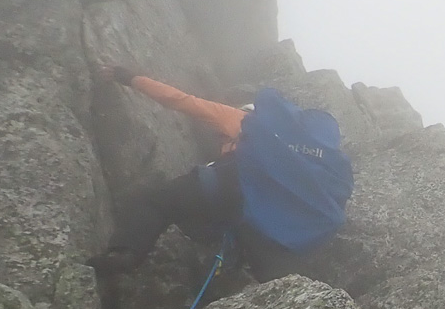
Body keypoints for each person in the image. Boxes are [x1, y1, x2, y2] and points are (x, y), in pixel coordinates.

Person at [89, 61, 352, 279]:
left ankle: (124, 254)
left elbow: (182, 101)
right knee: (274, 280)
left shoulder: (244, 119)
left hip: (225, 185)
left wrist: (131, 78)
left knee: (156, 202)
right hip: (267, 223)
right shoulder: (317, 156)